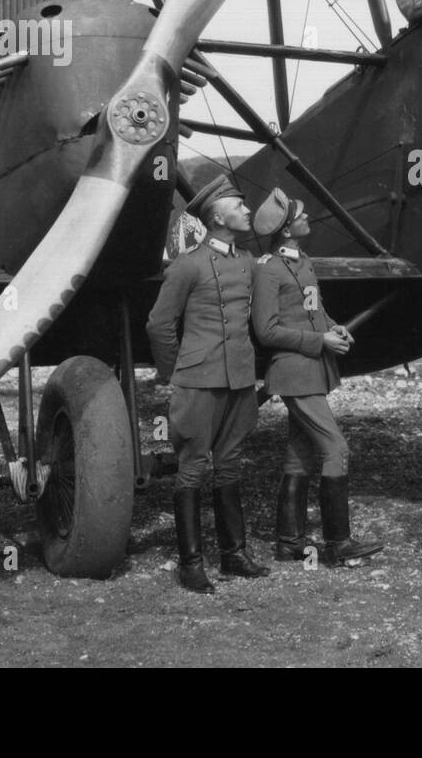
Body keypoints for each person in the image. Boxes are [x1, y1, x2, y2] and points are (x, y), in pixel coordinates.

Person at [146, 174, 270, 593]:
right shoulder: (188, 266)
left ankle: (234, 556)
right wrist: (172, 373)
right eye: (240, 205)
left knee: (231, 463)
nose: (247, 211)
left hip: (238, 377)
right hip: (198, 381)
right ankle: (191, 562)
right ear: (218, 216)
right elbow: (159, 324)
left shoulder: (247, 262)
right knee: (193, 468)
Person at [251, 187, 384, 567]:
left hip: (310, 371)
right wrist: (318, 339)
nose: (308, 218)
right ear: (287, 230)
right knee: (336, 449)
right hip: (293, 373)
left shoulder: (302, 262)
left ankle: (289, 542)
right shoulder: (269, 269)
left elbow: (313, 308)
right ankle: (338, 543)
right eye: (301, 215)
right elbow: (266, 331)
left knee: (300, 454)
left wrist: (334, 327)